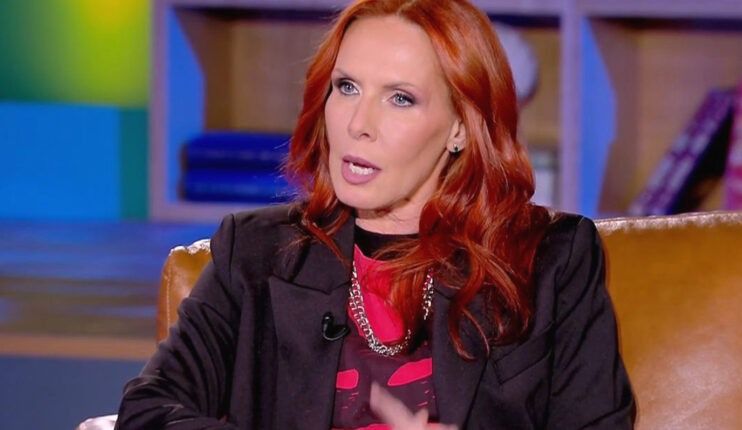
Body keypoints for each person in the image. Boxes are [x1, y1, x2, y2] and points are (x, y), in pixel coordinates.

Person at [115, 0, 635, 428]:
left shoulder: (551, 259)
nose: (358, 123)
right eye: (347, 87)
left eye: (400, 98)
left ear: (461, 127)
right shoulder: (255, 252)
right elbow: (149, 412)